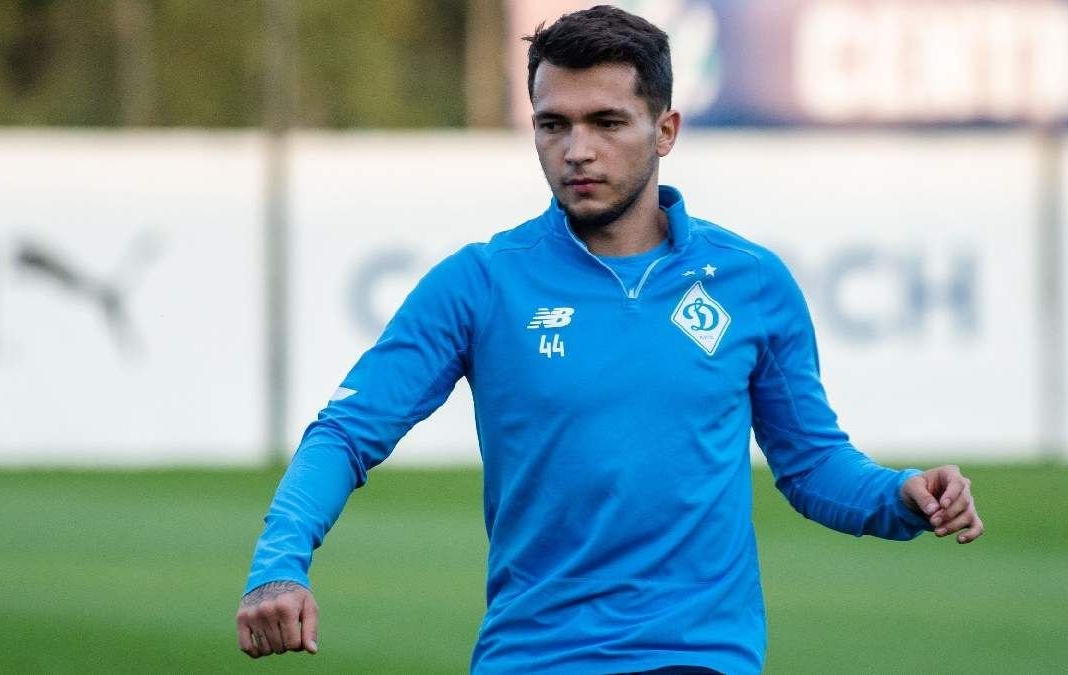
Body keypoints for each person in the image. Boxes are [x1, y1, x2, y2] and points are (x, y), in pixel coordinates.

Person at [235, 5, 983, 673]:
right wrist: (278, 565)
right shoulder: (481, 283)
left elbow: (812, 463)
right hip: (532, 655)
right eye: (553, 124)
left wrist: (899, 495)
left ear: (666, 130)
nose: (577, 150)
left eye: (607, 122)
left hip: (698, 656)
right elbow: (347, 432)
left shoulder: (751, 283)